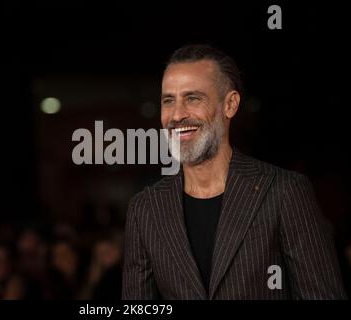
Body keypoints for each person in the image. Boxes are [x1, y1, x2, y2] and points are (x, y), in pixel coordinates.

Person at [122, 44, 347, 299]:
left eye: (193, 98)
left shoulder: (285, 192)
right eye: (168, 100)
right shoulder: (145, 209)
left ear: (230, 104)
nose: (176, 115)